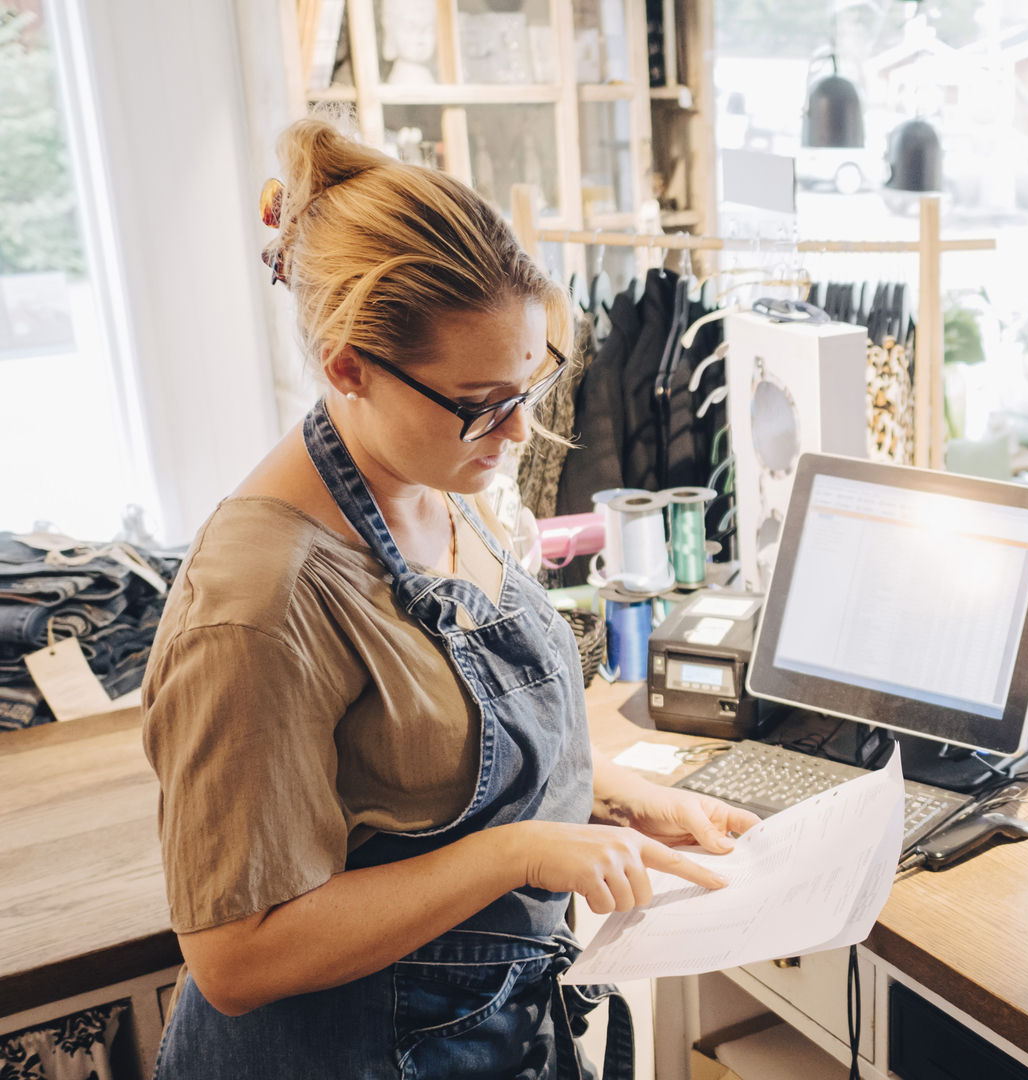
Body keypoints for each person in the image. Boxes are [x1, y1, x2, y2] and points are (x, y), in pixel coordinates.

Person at [141, 118, 757, 1078]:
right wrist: (517, 855)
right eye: (481, 402)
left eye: (531, 384)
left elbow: (412, 763)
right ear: (349, 366)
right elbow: (235, 954)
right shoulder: (261, 606)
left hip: (488, 1035)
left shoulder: (433, 478)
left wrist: (600, 795)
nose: (515, 433)